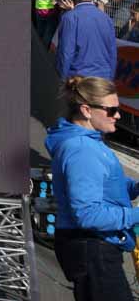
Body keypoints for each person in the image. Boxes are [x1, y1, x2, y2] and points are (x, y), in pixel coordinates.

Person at [46, 76, 139, 300]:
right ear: (87, 110)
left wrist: (135, 187)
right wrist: (135, 215)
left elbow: (107, 187)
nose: (118, 115)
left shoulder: (89, 141)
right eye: (111, 110)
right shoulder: (82, 150)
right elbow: (88, 214)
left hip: (94, 247)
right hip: (93, 250)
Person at [56, 0, 117, 80]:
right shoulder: (106, 18)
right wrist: (110, 78)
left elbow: (66, 52)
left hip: (80, 78)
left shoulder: (70, 18)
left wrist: (62, 78)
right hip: (103, 77)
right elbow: (112, 52)